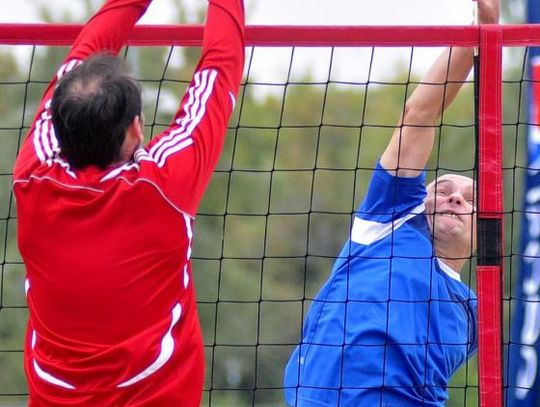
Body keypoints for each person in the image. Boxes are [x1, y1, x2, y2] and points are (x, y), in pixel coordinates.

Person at [13, 0, 244, 405]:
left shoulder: (31, 177)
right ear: (136, 129)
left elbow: (79, 60)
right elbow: (218, 70)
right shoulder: (163, 186)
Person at [283, 0, 499, 406]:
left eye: (470, 199)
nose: (455, 196)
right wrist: (478, 33)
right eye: (442, 189)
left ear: (483, 232)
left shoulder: (477, 312)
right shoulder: (391, 220)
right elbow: (419, 115)